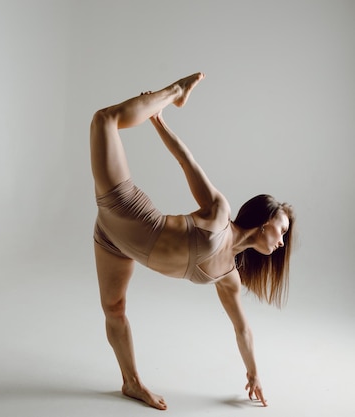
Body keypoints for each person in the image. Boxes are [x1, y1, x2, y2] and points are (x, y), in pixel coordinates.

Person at [90, 72, 295, 410]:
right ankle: (175, 90)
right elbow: (187, 161)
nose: (282, 242)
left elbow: (243, 331)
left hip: (113, 242)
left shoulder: (228, 276)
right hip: (125, 209)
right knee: (104, 120)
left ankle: (131, 382)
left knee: (114, 309)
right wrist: (159, 120)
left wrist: (254, 373)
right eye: (282, 230)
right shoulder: (218, 214)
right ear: (265, 221)